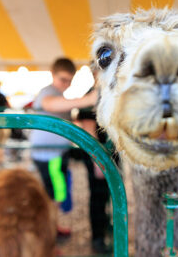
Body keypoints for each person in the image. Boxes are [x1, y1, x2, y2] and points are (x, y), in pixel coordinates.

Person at [29, 58, 97, 238]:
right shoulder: (48, 92)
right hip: (49, 156)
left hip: (54, 154)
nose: (66, 84)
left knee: (55, 194)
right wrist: (88, 99)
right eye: (62, 79)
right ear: (53, 75)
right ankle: (49, 232)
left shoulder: (59, 95)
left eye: (69, 80)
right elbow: (49, 104)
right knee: (56, 195)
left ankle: (51, 228)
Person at [69, 64, 117, 254]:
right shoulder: (93, 96)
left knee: (107, 192)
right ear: (94, 73)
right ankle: (97, 236)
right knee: (97, 195)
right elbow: (89, 128)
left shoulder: (110, 93)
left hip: (110, 152)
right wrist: (99, 160)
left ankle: (105, 224)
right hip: (98, 154)